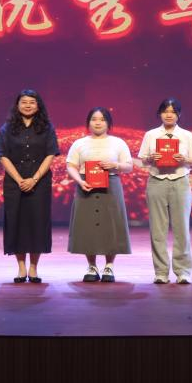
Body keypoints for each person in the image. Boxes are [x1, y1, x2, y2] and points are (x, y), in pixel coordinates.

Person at [0, 89, 60, 283]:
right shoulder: (7, 128)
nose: (28, 105)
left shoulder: (47, 127)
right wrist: (19, 179)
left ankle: (33, 268)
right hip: (14, 183)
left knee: (37, 222)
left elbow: (50, 154)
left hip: (40, 183)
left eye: (32, 102)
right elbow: (2, 155)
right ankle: (21, 267)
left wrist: (34, 179)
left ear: (38, 106)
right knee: (16, 222)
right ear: (17, 105)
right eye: (24, 102)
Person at [137, 97, 192, 284]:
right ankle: (161, 272)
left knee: (182, 228)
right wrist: (151, 158)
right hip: (156, 182)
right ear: (160, 113)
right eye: (165, 111)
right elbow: (143, 160)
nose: (169, 115)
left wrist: (184, 159)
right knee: (157, 230)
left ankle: (183, 271)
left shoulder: (187, 135)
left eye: (173, 112)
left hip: (180, 181)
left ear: (179, 115)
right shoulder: (151, 135)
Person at [65, 107, 133, 282]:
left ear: (108, 123)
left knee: (111, 224)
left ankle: (109, 266)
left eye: (102, 119)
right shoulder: (79, 143)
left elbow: (129, 166)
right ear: (88, 123)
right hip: (85, 185)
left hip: (111, 185)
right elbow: (71, 166)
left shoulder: (118, 143)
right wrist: (79, 181)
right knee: (87, 225)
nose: (98, 123)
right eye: (94, 119)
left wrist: (115, 165)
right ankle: (92, 266)